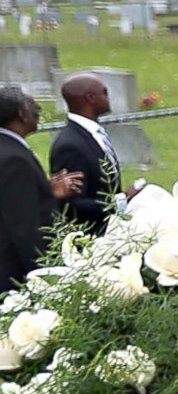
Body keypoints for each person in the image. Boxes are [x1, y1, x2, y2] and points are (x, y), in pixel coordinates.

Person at [1, 86, 84, 296]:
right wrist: (43, 272)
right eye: (34, 106)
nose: (38, 110)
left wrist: (45, 190)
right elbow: (22, 224)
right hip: (12, 273)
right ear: (22, 113)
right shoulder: (14, 159)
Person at [49, 73, 133, 238]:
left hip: (111, 231)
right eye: (104, 92)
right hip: (92, 238)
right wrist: (123, 201)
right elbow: (72, 204)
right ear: (90, 98)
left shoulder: (93, 134)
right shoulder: (70, 145)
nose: (108, 97)